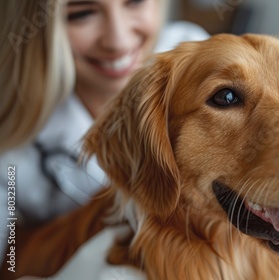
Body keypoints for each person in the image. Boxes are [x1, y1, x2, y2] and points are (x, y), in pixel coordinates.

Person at [0, 0, 209, 274]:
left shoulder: (196, 49)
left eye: (134, 2)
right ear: (36, 30)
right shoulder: (12, 162)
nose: (118, 41)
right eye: (82, 14)